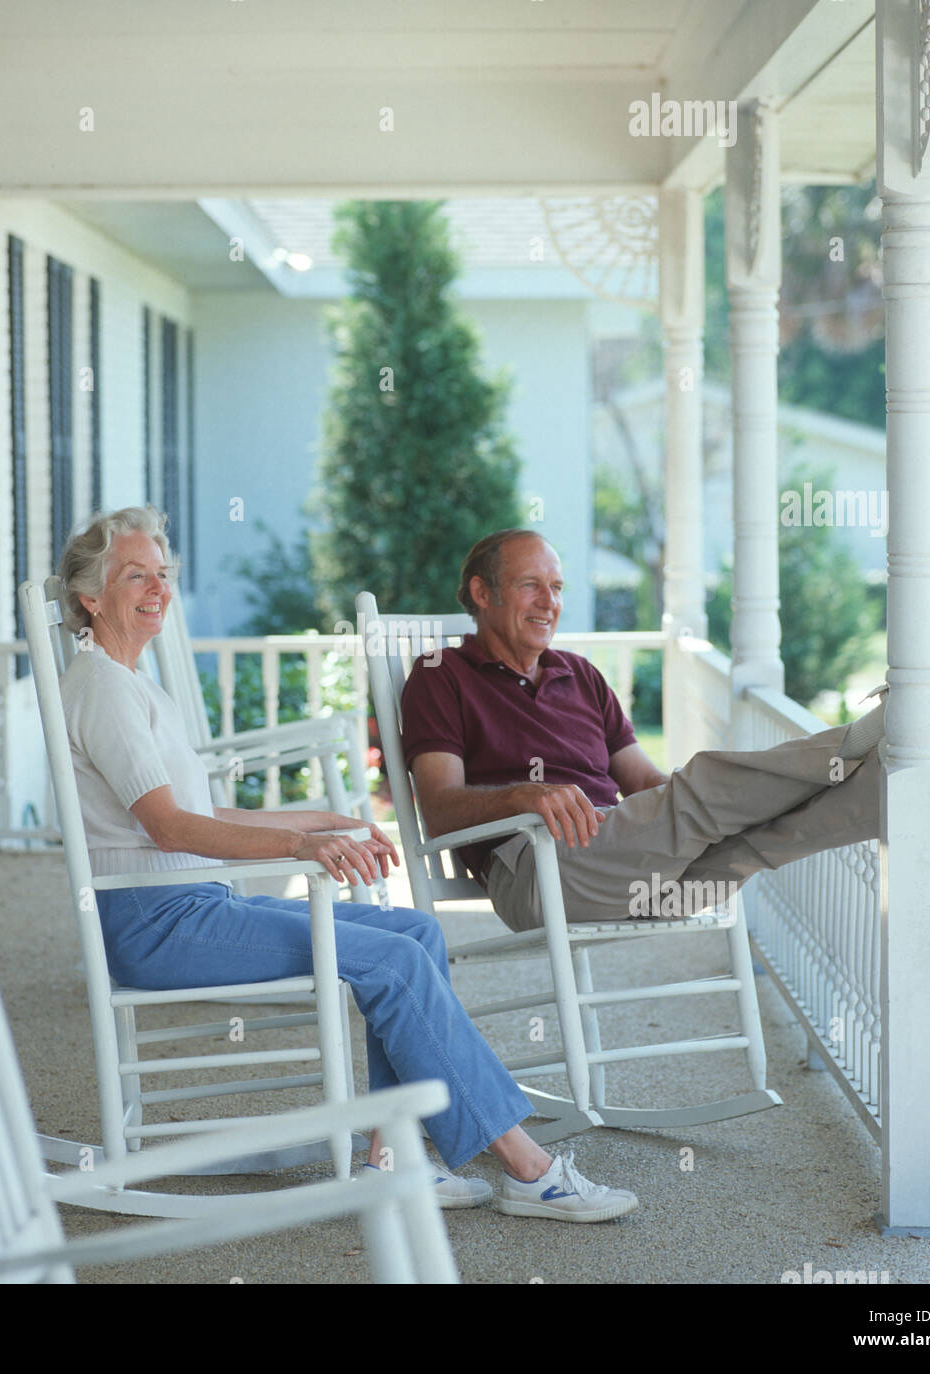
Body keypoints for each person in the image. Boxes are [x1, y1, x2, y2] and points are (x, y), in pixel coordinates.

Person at [55, 506, 638, 1223]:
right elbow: (171, 825)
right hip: (158, 922)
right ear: (91, 595)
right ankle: (529, 1166)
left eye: (164, 575)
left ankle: (390, 1157)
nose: (158, 590)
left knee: (415, 937)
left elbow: (211, 816)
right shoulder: (103, 687)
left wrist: (323, 820)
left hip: (195, 904)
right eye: (135, 576)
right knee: (389, 964)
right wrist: (301, 847)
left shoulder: (131, 681)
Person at [401, 528, 885, 933]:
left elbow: (647, 785)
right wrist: (524, 796)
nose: (549, 602)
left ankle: (882, 789)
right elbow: (440, 810)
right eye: (530, 585)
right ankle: (848, 744)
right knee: (703, 788)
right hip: (538, 873)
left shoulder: (580, 674)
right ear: (483, 593)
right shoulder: (442, 673)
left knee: (756, 843)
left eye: (558, 587)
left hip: (632, 864)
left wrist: (719, 807)